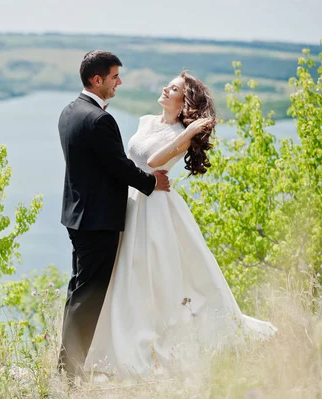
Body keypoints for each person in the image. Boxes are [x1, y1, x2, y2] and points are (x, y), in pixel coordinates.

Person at [84, 71, 277, 379]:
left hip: (156, 209)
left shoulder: (181, 136)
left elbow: (153, 161)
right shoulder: (146, 121)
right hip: (133, 201)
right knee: (126, 270)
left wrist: (187, 134)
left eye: (173, 88)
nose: (165, 88)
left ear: (183, 102)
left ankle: (152, 339)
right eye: (168, 84)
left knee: (153, 272)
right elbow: (128, 161)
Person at [57, 50, 170, 382]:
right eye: (115, 76)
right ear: (98, 80)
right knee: (88, 296)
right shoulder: (99, 119)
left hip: (77, 216)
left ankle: (66, 367)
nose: (119, 82)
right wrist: (151, 181)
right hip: (98, 221)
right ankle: (70, 373)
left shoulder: (69, 112)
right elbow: (118, 166)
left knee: (78, 292)